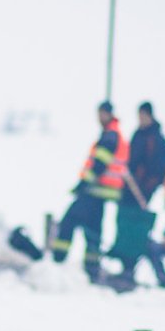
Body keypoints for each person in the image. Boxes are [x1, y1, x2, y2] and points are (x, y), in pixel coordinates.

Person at [52, 101, 128, 283]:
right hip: (101, 193)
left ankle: (57, 261)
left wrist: (83, 183)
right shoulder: (112, 134)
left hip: (95, 191)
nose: (98, 118)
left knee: (69, 221)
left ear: (107, 114)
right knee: (93, 230)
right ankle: (91, 268)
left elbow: (99, 164)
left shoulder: (110, 136)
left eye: (101, 114)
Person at [116, 101, 165, 283]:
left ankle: (141, 268)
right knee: (125, 230)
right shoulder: (138, 135)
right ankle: (126, 267)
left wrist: (147, 187)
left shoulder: (156, 139)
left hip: (143, 194)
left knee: (139, 232)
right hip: (129, 190)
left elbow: (159, 168)